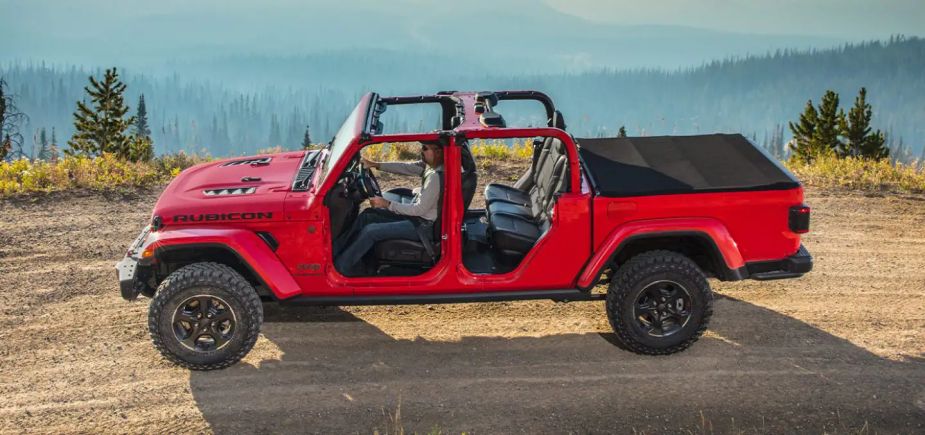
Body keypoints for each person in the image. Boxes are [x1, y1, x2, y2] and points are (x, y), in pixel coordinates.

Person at [333, 141, 444, 276]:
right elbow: (406, 167)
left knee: (370, 231)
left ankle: (340, 268)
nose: (421, 151)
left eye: (425, 148)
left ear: (438, 152)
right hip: (418, 219)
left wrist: (386, 204)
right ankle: (336, 251)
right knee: (367, 215)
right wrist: (375, 164)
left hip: (423, 226)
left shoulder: (435, 177)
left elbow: (418, 210)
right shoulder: (430, 167)